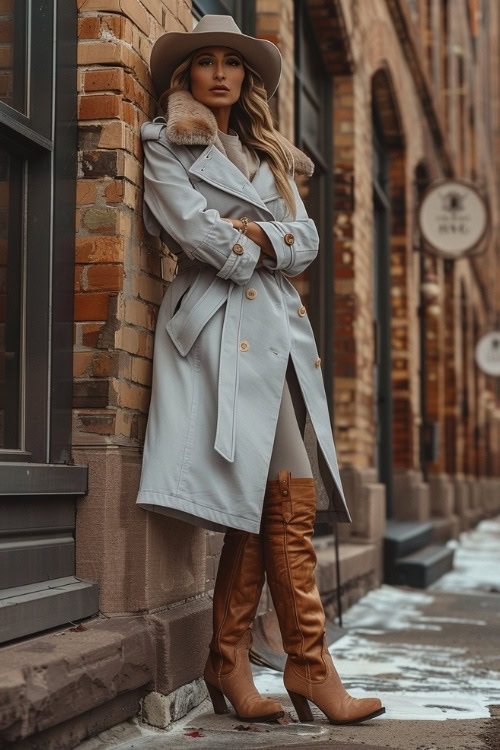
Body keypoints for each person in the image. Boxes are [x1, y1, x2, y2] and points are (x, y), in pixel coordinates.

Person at [137, 14, 384, 727]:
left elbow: (307, 242)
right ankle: (307, 662)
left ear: (246, 78)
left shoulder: (273, 154)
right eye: (206, 61)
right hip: (217, 327)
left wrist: (254, 238)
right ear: (187, 75)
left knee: (269, 493)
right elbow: (190, 229)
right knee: (284, 484)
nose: (221, 72)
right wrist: (257, 244)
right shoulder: (166, 142)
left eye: (233, 63)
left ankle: (235, 658)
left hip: (274, 327)